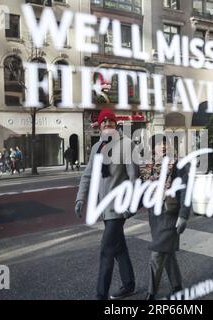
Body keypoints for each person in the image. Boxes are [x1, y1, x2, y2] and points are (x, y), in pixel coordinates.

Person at [74, 109, 139, 300]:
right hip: (103, 208)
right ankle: (129, 284)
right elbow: (87, 175)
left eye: (111, 121)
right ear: (100, 126)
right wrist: (80, 198)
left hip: (118, 207)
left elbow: (134, 178)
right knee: (119, 247)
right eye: (104, 122)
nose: (107, 124)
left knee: (106, 250)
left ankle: (100, 295)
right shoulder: (97, 147)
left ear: (116, 124)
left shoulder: (127, 145)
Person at [141, 134, 190, 300]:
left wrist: (183, 215)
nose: (162, 147)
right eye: (158, 144)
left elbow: (185, 191)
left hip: (170, 214)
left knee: (157, 254)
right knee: (167, 253)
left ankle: (151, 293)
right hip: (154, 216)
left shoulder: (178, 164)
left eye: (165, 143)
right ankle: (177, 287)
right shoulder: (148, 166)